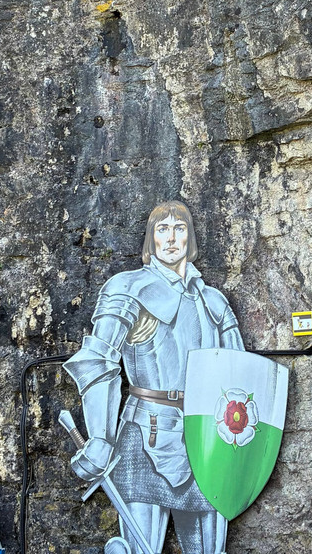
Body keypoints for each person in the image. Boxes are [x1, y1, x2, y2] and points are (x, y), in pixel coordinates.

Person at [64, 201, 244, 554]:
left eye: (180, 228)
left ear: (190, 238)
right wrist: (100, 437)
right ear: (151, 239)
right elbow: (99, 360)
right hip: (145, 433)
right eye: (162, 229)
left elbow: (240, 380)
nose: (172, 238)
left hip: (207, 439)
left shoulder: (214, 303)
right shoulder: (128, 289)